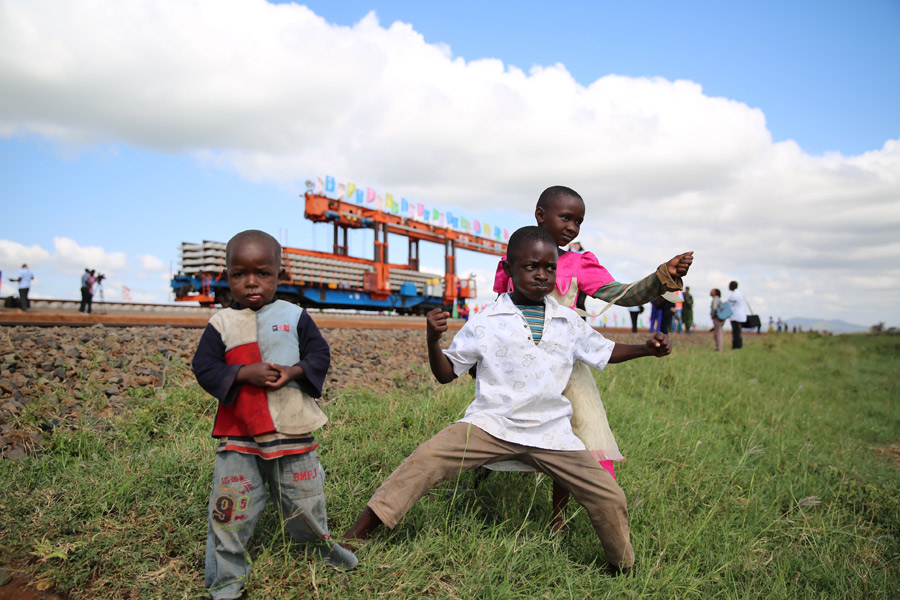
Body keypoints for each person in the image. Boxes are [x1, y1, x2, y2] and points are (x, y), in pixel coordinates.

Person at [341, 226, 674, 576]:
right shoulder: (485, 322)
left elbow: (604, 351)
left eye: (550, 267)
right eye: (532, 267)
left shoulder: (567, 321)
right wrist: (432, 342)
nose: (542, 275)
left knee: (609, 495)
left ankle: (622, 569)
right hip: (492, 424)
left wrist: (645, 349)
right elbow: (446, 373)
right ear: (509, 269)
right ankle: (356, 536)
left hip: (552, 434)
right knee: (423, 461)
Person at [490, 185, 692, 529]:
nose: (572, 227)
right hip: (520, 367)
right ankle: (476, 487)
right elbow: (500, 311)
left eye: (579, 221)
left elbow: (621, 294)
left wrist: (662, 277)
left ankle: (563, 519)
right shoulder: (513, 261)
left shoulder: (579, 263)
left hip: (567, 370)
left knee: (577, 438)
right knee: (498, 428)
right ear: (541, 215)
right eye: (565, 217)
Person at [192, 230, 356, 600]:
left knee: (306, 500)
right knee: (230, 510)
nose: (251, 282)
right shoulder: (220, 323)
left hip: (293, 431)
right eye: (239, 274)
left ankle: (318, 550)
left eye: (263, 273)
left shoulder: (295, 315)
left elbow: (319, 356)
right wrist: (240, 374)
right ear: (227, 275)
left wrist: (295, 371)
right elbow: (203, 367)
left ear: (280, 274)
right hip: (240, 435)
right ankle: (226, 579)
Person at [726, 280, 749, 349]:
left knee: (736, 333)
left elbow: (728, 304)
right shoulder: (740, 293)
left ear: (733, 286)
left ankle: (737, 346)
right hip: (739, 316)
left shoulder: (734, 295)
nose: (728, 287)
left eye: (730, 285)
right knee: (737, 332)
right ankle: (737, 346)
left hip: (736, 316)